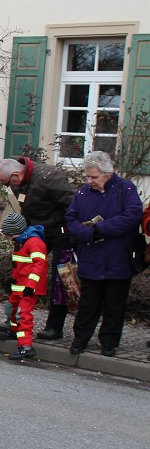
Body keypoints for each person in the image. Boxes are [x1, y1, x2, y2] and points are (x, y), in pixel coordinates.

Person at [64, 151, 143, 357]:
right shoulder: (82, 193)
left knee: (115, 304)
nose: (90, 181)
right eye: (88, 177)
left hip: (118, 258)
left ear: (107, 174)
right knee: (88, 303)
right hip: (91, 256)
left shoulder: (125, 188)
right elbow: (71, 219)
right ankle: (80, 339)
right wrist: (87, 233)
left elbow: (133, 215)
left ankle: (109, 342)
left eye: (94, 177)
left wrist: (103, 229)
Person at [0, 155, 77, 340]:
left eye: (8, 183)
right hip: (37, 231)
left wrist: (74, 234)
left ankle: (54, 327)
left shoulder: (50, 178)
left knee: (60, 279)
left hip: (61, 233)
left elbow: (73, 206)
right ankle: (15, 322)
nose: (9, 187)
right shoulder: (18, 183)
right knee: (23, 271)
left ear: (16, 174)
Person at [0, 212, 47, 361]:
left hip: (28, 288)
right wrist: (12, 280)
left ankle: (25, 346)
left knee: (23, 315)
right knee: (13, 309)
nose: (9, 239)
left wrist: (30, 285)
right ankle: (15, 330)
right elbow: (21, 266)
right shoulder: (23, 241)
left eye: (9, 235)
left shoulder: (33, 242)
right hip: (20, 285)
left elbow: (39, 265)